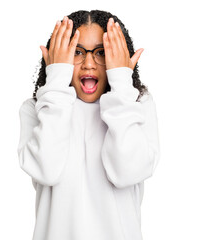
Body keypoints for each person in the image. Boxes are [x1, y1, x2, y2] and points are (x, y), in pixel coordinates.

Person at [17, 10, 160, 240]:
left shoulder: (137, 106)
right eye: (77, 52)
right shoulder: (38, 109)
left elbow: (127, 171)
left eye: (102, 52)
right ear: (59, 57)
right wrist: (56, 82)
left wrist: (123, 85)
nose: (89, 64)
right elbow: (47, 169)